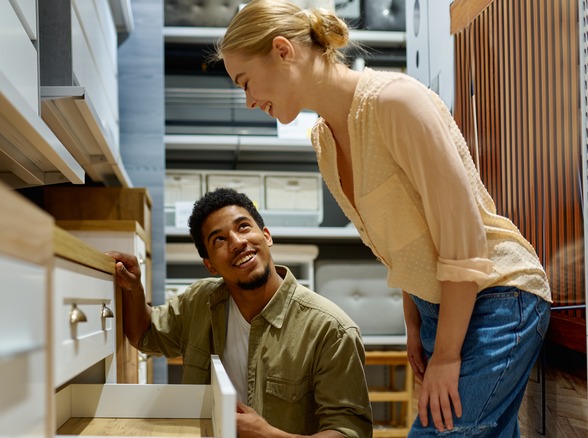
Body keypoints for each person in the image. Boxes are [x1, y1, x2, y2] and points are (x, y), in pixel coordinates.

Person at [212, 1, 552, 436]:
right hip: (441, 308)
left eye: (246, 82)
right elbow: (404, 241)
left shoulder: (396, 101)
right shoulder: (324, 141)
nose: (249, 100)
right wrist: (416, 323)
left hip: (497, 297)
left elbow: (463, 237)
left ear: (282, 51)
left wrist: (447, 353)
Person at [107, 187, 373, 438]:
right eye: (219, 239)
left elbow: (348, 430)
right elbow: (146, 333)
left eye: (243, 227)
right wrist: (134, 288)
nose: (236, 242)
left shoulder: (332, 330)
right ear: (210, 265)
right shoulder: (199, 302)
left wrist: (269, 435)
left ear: (266, 236)